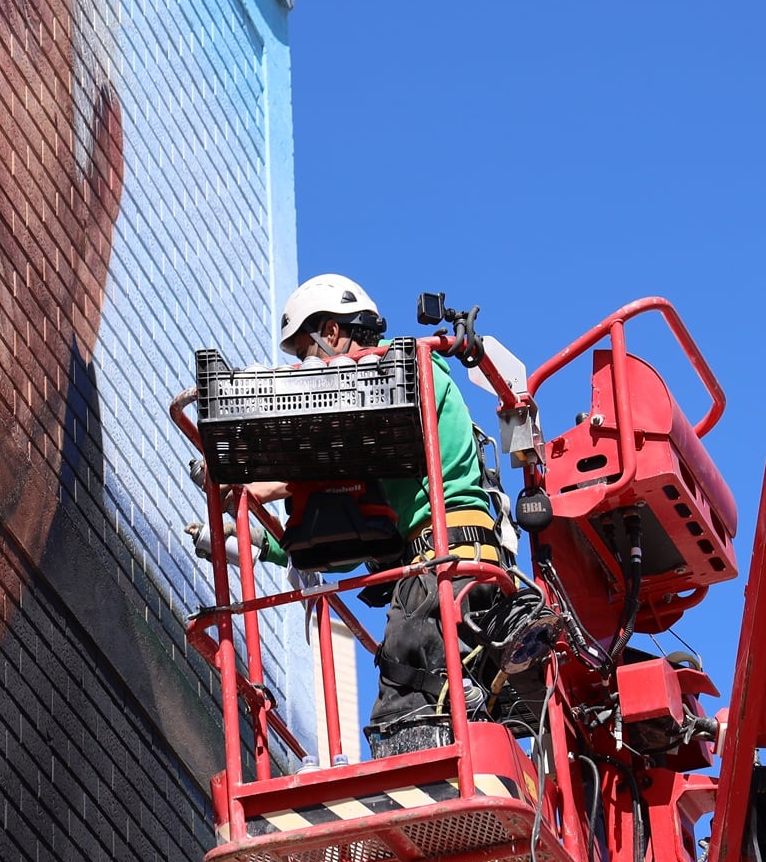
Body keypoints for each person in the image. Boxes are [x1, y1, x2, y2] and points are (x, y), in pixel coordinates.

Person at [230, 275, 555, 756]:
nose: (304, 370)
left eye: (306, 353)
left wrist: (272, 481)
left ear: (332, 332)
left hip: (442, 569)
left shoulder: (402, 375)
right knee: (437, 713)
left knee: (405, 722)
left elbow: (341, 456)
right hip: (448, 569)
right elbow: (346, 535)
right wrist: (264, 542)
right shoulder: (380, 413)